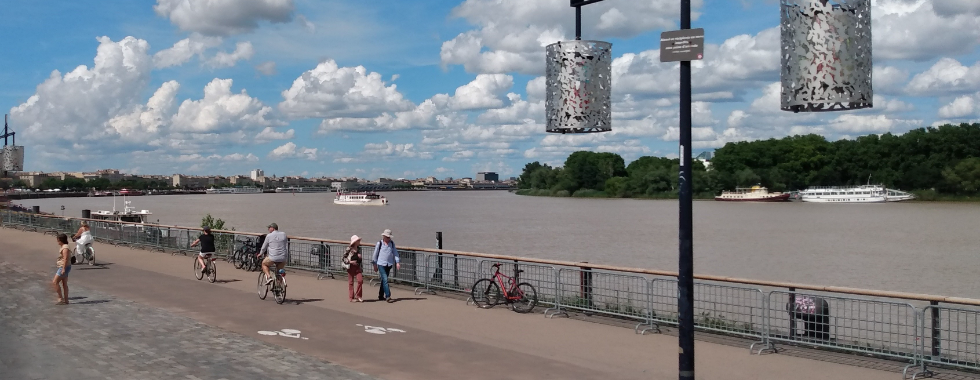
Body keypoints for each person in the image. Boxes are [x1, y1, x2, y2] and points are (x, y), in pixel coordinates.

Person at [371, 229, 400, 303]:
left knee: (384, 280)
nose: (388, 238)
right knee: (385, 279)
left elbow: (395, 253)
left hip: (389, 264)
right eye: (387, 237)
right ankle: (388, 296)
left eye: (389, 237)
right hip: (381, 264)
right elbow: (375, 254)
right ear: (383, 236)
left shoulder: (392, 244)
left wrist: (397, 262)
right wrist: (374, 264)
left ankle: (380, 295)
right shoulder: (379, 243)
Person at [52, 234, 72, 305]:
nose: (57, 241)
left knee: (55, 282)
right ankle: (66, 300)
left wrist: (63, 269)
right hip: (66, 266)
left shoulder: (65, 248)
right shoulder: (64, 247)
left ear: (61, 240)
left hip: (64, 267)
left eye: (58, 240)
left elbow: (65, 258)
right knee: (64, 283)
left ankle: (60, 298)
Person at [345, 235, 363, 302]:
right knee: (351, 282)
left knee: (360, 280)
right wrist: (351, 262)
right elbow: (344, 258)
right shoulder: (349, 249)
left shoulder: (359, 248)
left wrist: (360, 258)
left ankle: (359, 296)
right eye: (358, 240)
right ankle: (351, 297)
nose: (359, 241)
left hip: (357, 267)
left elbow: (359, 261)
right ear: (355, 242)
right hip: (350, 267)